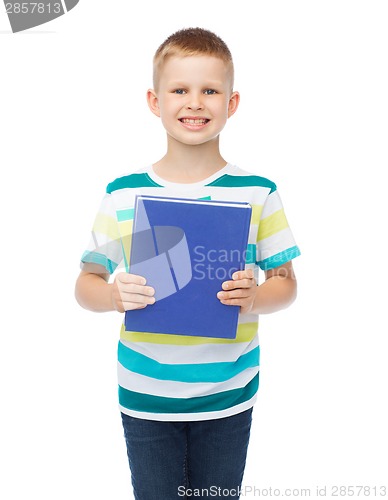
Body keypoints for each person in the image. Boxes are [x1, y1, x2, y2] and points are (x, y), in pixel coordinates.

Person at [75, 27, 301, 500]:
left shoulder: (259, 191)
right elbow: (86, 282)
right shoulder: (124, 192)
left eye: (210, 91)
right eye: (180, 90)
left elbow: (286, 282)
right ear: (155, 101)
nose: (195, 103)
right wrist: (113, 294)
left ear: (231, 103)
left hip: (229, 393)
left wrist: (257, 296)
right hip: (146, 394)